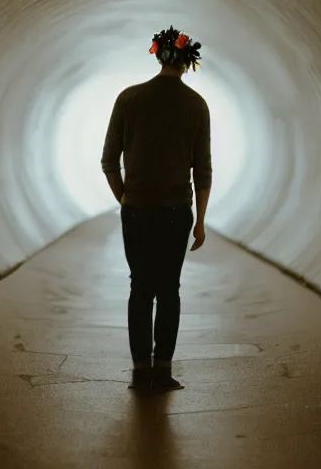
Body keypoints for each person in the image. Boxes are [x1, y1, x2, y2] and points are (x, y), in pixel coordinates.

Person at [100, 26, 212, 392]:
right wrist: (201, 221)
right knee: (169, 289)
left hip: (136, 211)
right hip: (176, 211)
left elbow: (108, 161)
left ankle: (139, 371)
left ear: (158, 55)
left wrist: (124, 197)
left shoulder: (128, 99)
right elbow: (202, 169)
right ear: (186, 61)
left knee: (140, 288)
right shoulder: (196, 104)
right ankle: (162, 370)